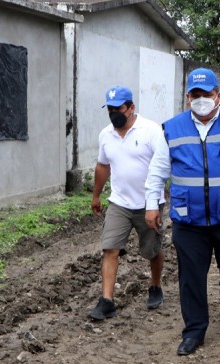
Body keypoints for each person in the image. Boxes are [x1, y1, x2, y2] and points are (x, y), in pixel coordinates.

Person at [144, 68, 220, 356]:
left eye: (207, 94)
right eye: (195, 95)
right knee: (191, 277)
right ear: (188, 96)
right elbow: (157, 172)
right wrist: (153, 204)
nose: (201, 99)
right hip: (189, 220)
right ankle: (194, 331)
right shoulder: (172, 129)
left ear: (218, 95)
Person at [88, 85, 166, 321]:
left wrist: (155, 202)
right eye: (109, 109)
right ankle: (107, 301)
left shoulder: (151, 131)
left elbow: (163, 166)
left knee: (152, 251)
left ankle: (155, 285)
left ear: (131, 108)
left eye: (118, 108)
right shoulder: (105, 135)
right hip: (119, 203)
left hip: (148, 204)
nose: (114, 113)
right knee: (110, 249)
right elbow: (103, 166)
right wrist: (96, 195)